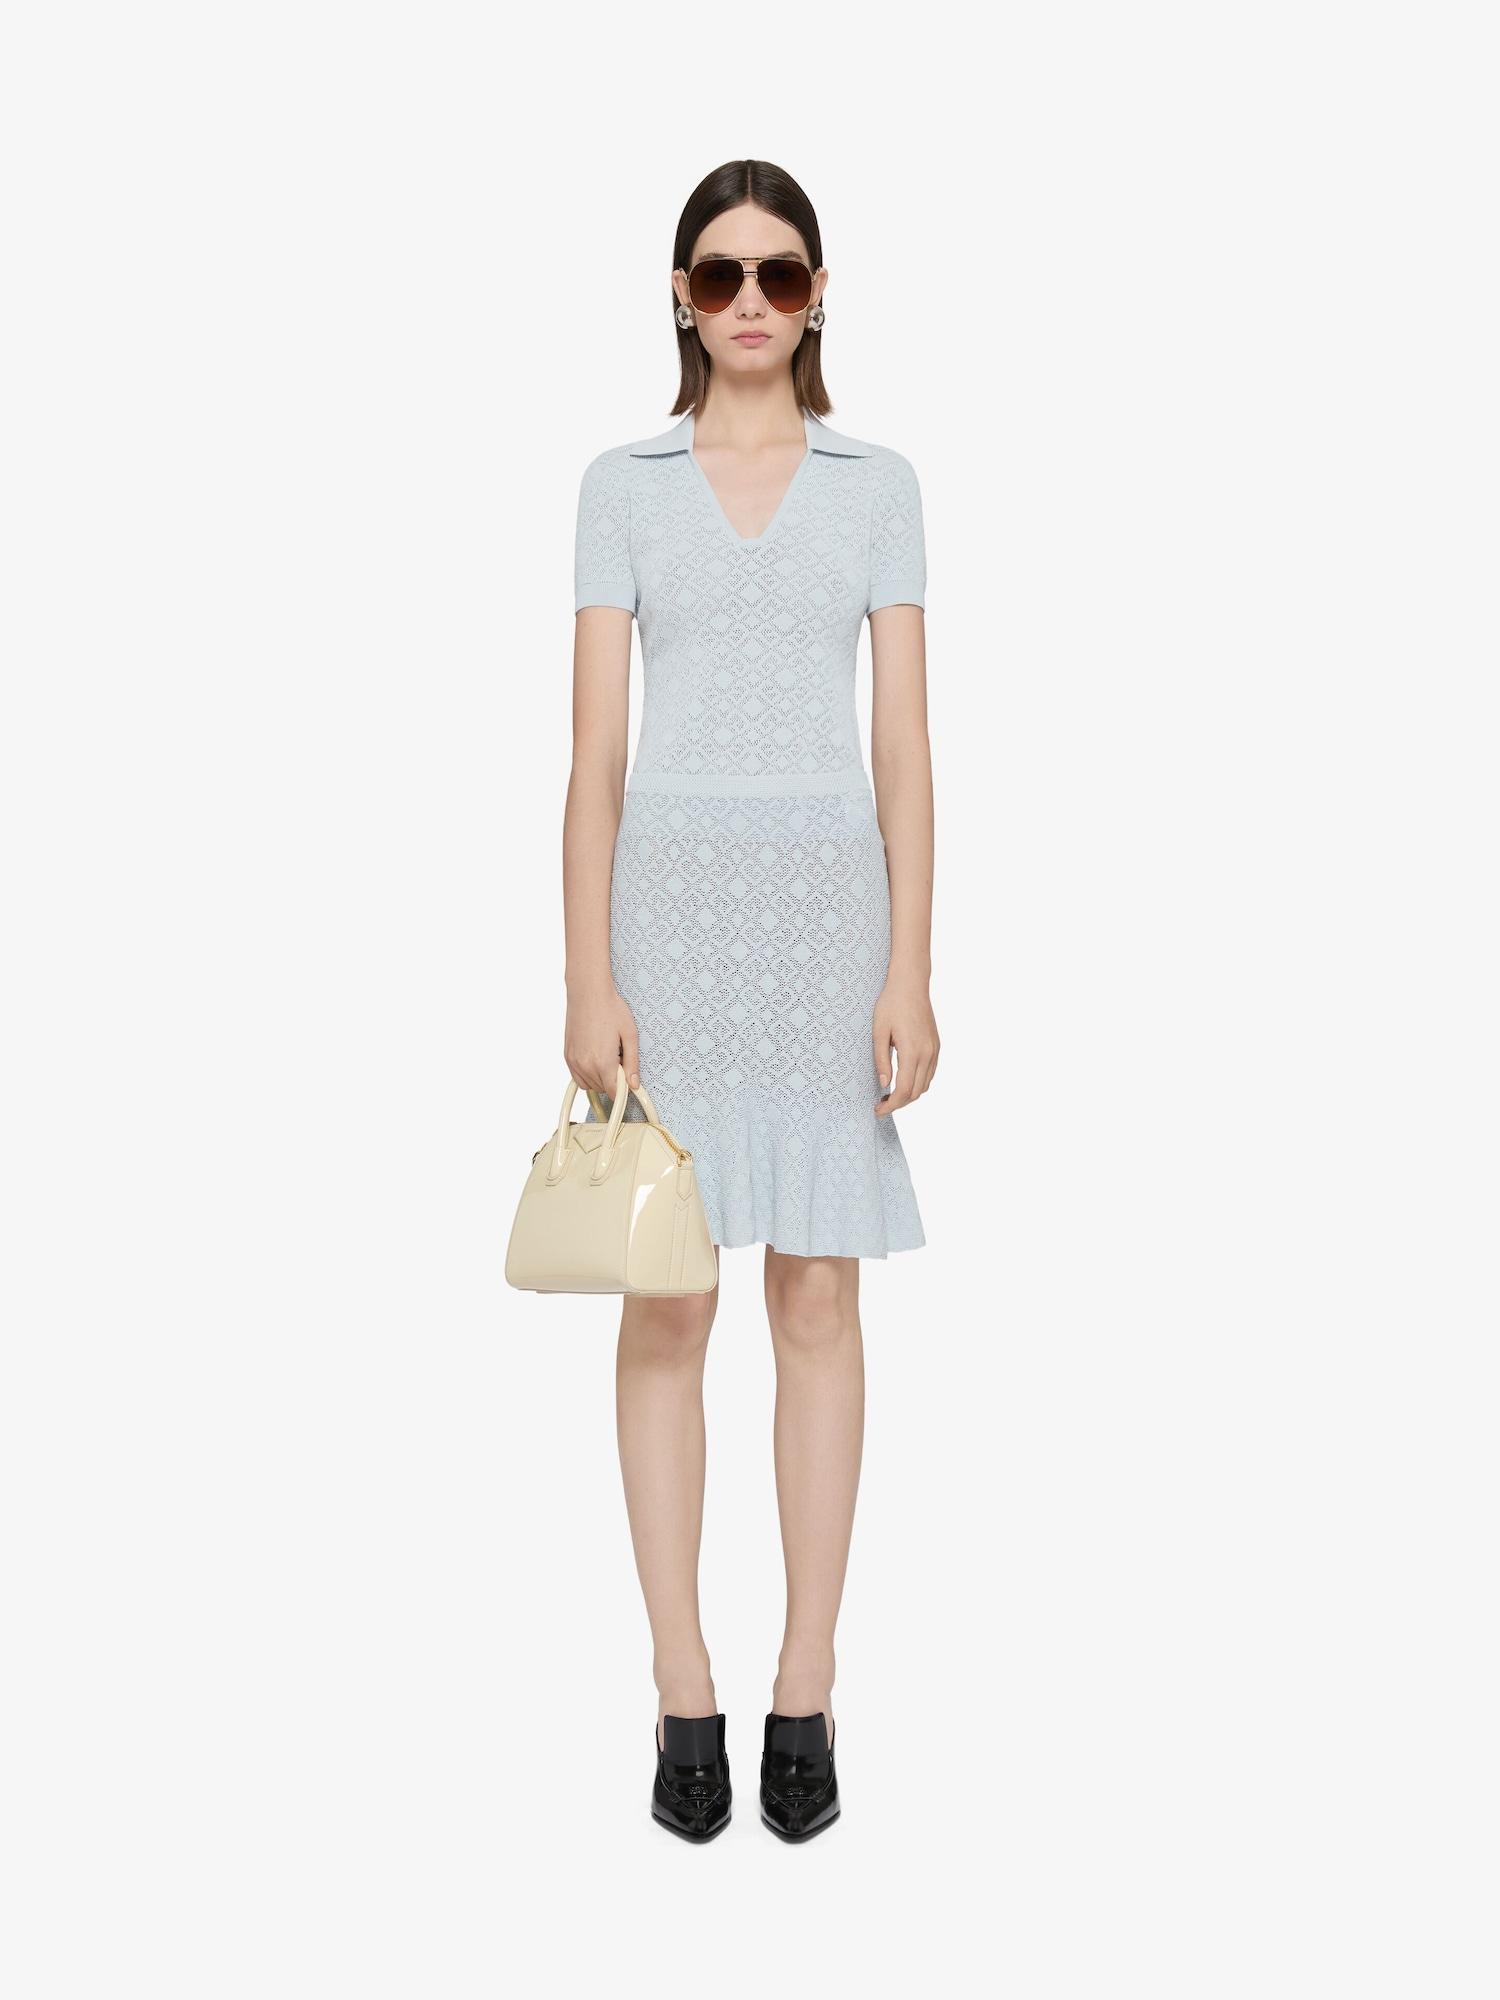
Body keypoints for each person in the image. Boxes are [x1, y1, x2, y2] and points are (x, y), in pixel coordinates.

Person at [563, 159, 939, 1842]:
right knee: (669, 1303)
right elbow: (593, 757)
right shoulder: (621, 485)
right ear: (679, 296)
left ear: (819, 292)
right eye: (719, 276)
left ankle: (806, 1680)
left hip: (824, 927)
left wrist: (910, 963)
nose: (750, 305)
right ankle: (679, 1684)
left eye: (779, 274)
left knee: (818, 1303)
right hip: (670, 927)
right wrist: (587, 972)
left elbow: (904, 748)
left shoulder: (879, 486)